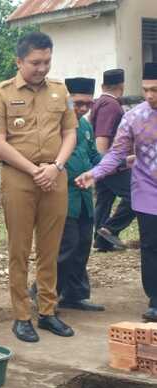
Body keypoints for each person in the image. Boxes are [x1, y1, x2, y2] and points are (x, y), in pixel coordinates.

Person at [0, 31, 77, 343]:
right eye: (35, 62)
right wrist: (34, 169)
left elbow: (70, 133)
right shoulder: (1, 93)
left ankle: (48, 312)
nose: (42, 68)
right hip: (19, 177)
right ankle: (22, 316)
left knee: (51, 249)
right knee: (20, 250)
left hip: (55, 175)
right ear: (19, 61)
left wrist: (57, 166)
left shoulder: (60, 91)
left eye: (47, 61)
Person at [76, 62, 157, 323]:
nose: (149, 96)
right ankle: (155, 300)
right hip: (147, 192)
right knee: (151, 246)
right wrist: (95, 173)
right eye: (145, 90)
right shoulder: (134, 117)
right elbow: (116, 154)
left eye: (155, 90)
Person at [53, 77, 105, 312]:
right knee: (66, 246)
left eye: (88, 104)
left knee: (83, 244)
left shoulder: (84, 126)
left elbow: (94, 156)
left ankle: (74, 294)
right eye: (78, 103)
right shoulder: (55, 126)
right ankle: (45, 293)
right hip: (63, 196)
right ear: (67, 100)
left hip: (85, 198)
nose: (83, 109)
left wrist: (117, 162)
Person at [90, 68, 135, 252]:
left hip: (104, 163)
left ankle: (101, 242)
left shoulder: (99, 102)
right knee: (138, 195)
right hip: (112, 164)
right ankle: (110, 228)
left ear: (103, 86)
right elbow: (102, 136)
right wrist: (105, 165)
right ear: (122, 86)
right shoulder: (111, 105)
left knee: (104, 199)